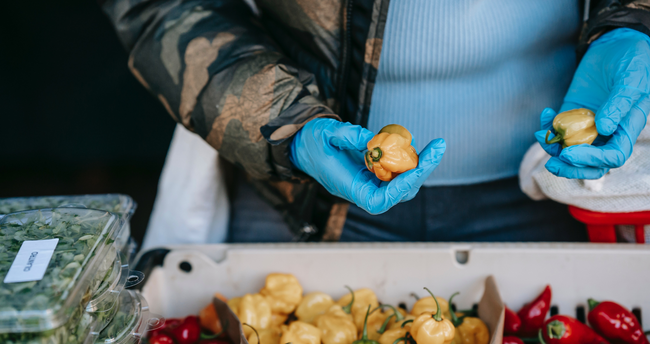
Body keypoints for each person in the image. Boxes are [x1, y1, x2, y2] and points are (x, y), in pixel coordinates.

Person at [101, 0, 650, 243]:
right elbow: (161, 5)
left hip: (551, 191)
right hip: (303, 198)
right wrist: (282, 122)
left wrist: (634, 22)